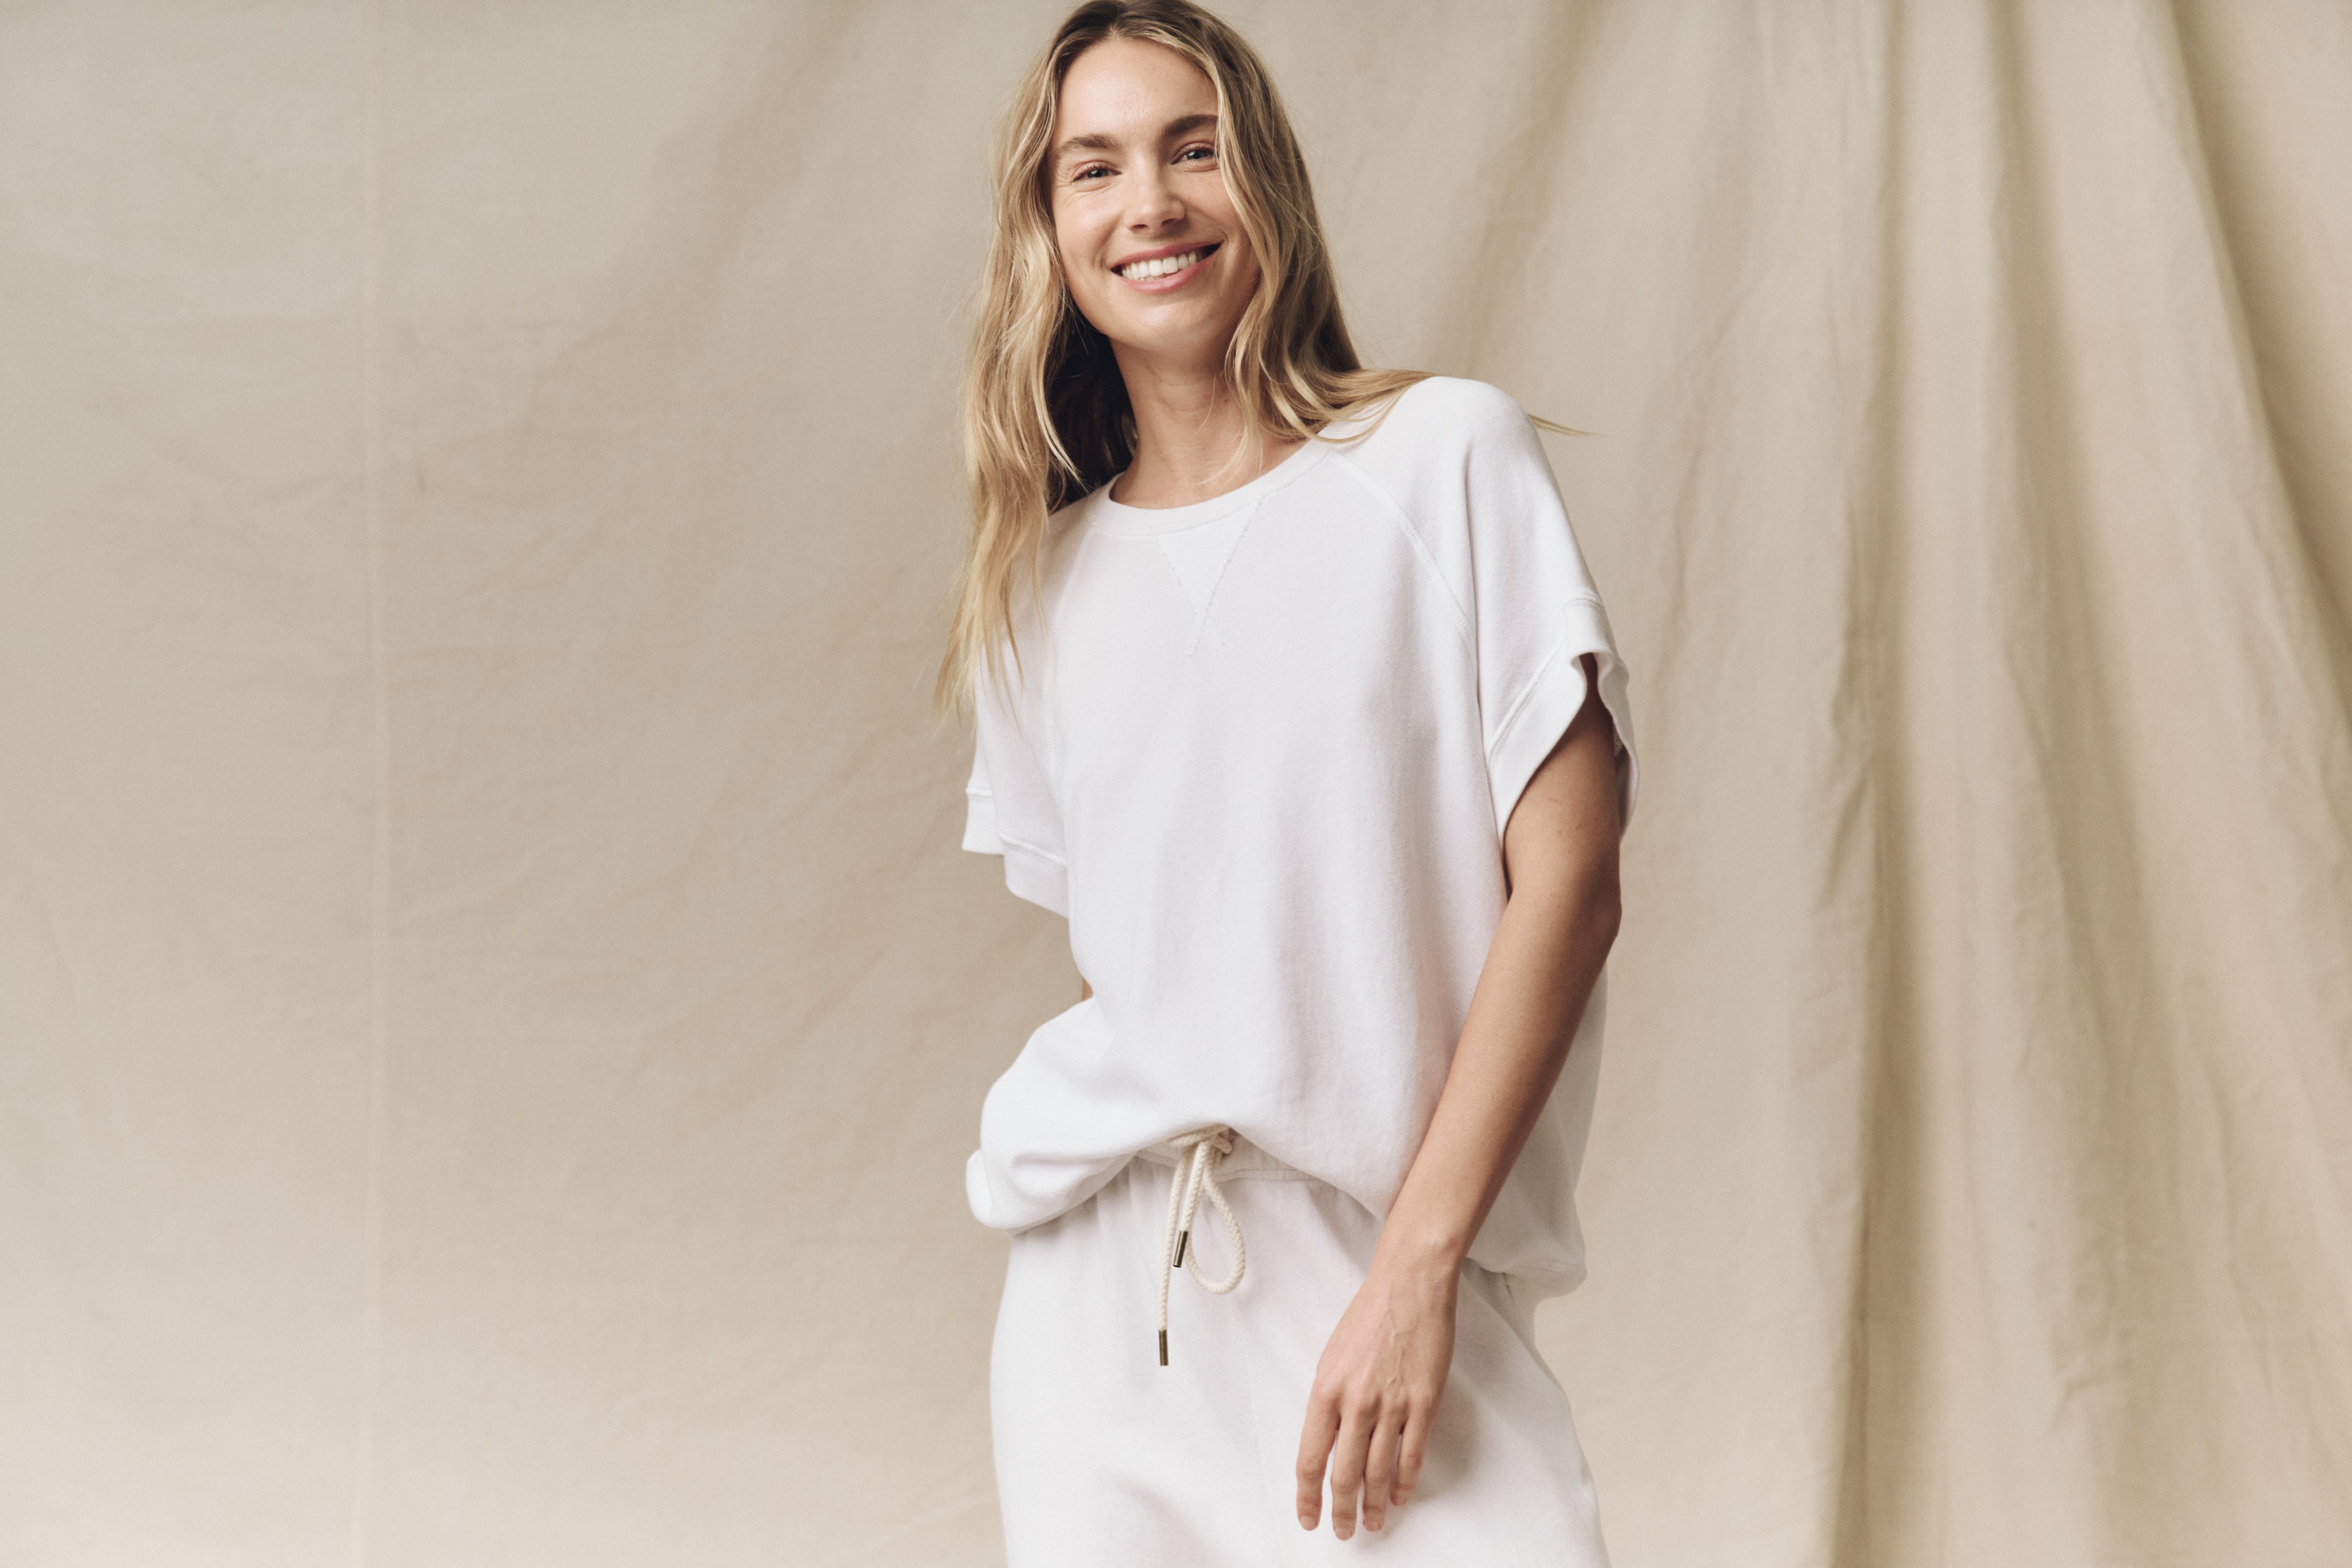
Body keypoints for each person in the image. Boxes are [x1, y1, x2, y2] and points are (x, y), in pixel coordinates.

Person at [935, 2, 1639, 1561]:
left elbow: (1573, 885)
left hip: (1388, 1271)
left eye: (1196, 148)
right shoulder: (1041, 591)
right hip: (1105, 1318)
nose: (1153, 203)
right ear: (1048, 232)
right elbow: (1150, 965)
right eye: (1093, 168)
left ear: (1268, 181)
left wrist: (1420, 1267)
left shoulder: (1446, 461)